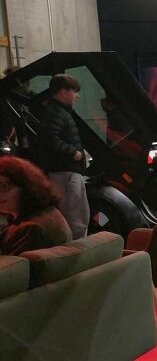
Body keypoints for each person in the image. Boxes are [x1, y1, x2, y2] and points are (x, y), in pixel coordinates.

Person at [37, 73, 90, 239]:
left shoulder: (57, 111)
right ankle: (76, 249)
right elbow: (50, 138)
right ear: (63, 92)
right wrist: (73, 152)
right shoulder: (57, 113)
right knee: (75, 215)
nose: (77, 95)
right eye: (74, 91)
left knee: (75, 214)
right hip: (65, 172)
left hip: (64, 171)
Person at [0, 155, 72, 255]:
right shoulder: (47, 212)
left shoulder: (30, 229)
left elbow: (13, 264)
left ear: (25, 186)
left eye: (4, 186)